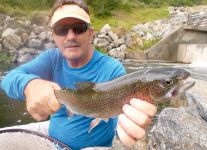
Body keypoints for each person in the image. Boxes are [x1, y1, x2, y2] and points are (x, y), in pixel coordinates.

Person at [0, 0, 157, 149]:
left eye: (79, 28)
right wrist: (30, 85)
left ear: (90, 33)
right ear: (53, 36)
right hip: (50, 135)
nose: (70, 36)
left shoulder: (112, 69)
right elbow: (9, 79)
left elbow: (119, 117)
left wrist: (129, 127)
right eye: (61, 30)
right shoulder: (51, 58)